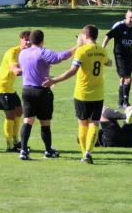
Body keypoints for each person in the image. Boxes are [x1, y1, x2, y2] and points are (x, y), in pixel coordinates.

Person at [44, 25, 111, 164]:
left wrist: (54, 80)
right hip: (98, 94)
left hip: (82, 93)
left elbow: (73, 70)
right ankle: (88, 152)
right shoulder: (102, 50)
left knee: (82, 124)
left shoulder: (81, 51)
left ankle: (83, 154)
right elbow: (108, 62)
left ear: (85, 36)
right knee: (94, 123)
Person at [17, 29, 77, 161]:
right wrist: (77, 47)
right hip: (42, 91)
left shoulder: (22, 53)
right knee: (45, 123)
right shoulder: (43, 52)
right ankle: (48, 150)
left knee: (28, 121)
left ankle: (23, 150)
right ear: (42, 40)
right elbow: (61, 57)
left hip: (26, 90)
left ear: (31, 40)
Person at [101, 9, 132, 108]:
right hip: (119, 55)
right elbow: (108, 36)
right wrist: (102, 49)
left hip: (129, 55)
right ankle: (126, 103)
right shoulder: (119, 26)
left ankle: (120, 102)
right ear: (126, 16)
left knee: (123, 79)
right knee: (128, 78)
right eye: (130, 17)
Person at [0, 30, 30, 152]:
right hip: (2, 87)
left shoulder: (27, 53)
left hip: (10, 88)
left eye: (30, 39)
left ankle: (16, 141)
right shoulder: (12, 52)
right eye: (26, 39)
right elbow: (16, 71)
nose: (28, 42)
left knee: (19, 111)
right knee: (10, 114)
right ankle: (9, 145)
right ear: (20, 39)